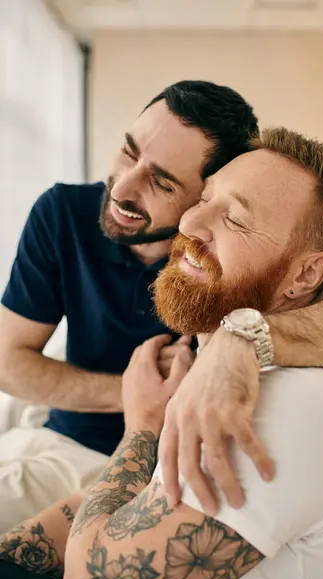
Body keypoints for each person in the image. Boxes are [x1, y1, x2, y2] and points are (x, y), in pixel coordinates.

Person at [0, 127, 323, 579]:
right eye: (206, 197)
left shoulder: (288, 404)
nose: (190, 223)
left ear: (307, 273)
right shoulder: (219, 356)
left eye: (235, 219)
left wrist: (143, 422)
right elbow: (149, 500)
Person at [0, 80, 259, 531]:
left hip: (167, 471)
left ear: (205, 198)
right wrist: (138, 392)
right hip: (65, 443)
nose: (122, 187)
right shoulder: (63, 212)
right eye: (128, 151)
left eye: (160, 181)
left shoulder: (233, 257)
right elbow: (7, 363)